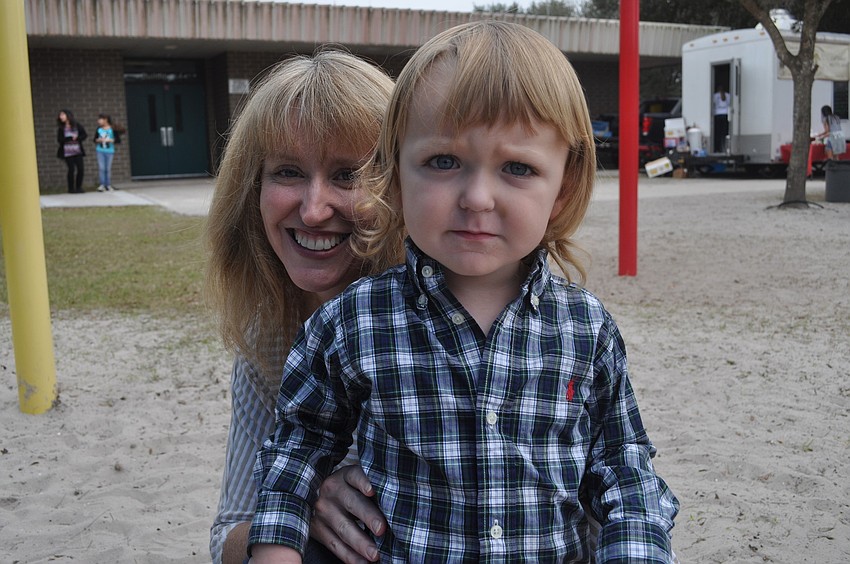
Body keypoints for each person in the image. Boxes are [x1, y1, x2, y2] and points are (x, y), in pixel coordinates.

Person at [249, 21, 679, 563]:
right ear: (394, 173)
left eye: (517, 168)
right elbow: (296, 453)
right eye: (444, 162)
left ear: (564, 186)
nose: (477, 197)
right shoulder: (352, 324)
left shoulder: (587, 331)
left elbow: (623, 467)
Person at [205, 50, 398, 564]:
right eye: (288, 171)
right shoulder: (268, 338)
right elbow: (227, 534)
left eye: (348, 175)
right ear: (253, 191)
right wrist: (300, 501)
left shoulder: (452, 324)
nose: (313, 209)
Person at [56, 109, 87, 193]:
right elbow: (60, 140)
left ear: (68, 115)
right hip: (67, 152)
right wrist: (68, 139)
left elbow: (84, 135)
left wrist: (77, 138)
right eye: (60, 115)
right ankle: (71, 188)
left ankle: (79, 187)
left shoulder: (77, 126)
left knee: (80, 169)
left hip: (77, 151)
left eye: (62, 115)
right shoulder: (61, 128)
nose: (61, 117)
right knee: (71, 169)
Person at [94, 114, 121, 191]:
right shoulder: (99, 129)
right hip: (100, 150)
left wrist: (110, 140)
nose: (98, 121)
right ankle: (102, 185)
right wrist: (99, 140)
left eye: (100, 119)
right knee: (101, 168)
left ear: (105, 119)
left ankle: (108, 185)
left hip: (109, 151)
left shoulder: (112, 129)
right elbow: (94, 139)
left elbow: (118, 140)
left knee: (107, 168)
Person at [712, 84, 730, 153]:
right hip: (726, 115)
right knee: (725, 134)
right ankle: (725, 148)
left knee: (718, 134)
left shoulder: (715, 95)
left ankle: (718, 149)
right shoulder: (728, 95)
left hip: (717, 115)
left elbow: (713, 104)